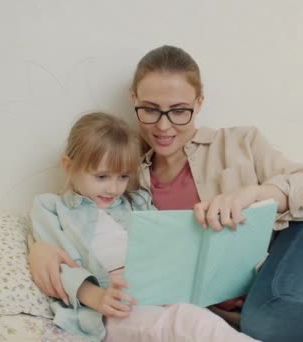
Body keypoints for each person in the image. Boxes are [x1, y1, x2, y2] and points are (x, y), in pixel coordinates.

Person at [29, 45, 303, 342]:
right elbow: (83, 220)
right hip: (262, 300)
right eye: (150, 110)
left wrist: (252, 195)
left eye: (179, 111)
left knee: (266, 316)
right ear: (134, 99)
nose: (163, 126)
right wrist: (40, 248)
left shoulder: (239, 143)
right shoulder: (127, 178)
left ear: (200, 103)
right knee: (267, 319)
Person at [30, 112, 258, 341]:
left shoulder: (136, 202)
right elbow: (59, 268)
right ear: (68, 166)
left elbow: (166, 244)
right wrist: (96, 296)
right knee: (185, 322)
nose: (113, 188)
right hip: (110, 307)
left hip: (158, 291)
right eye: (101, 177)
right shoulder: (51, 208)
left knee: (196, 318)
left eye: (122, 177)